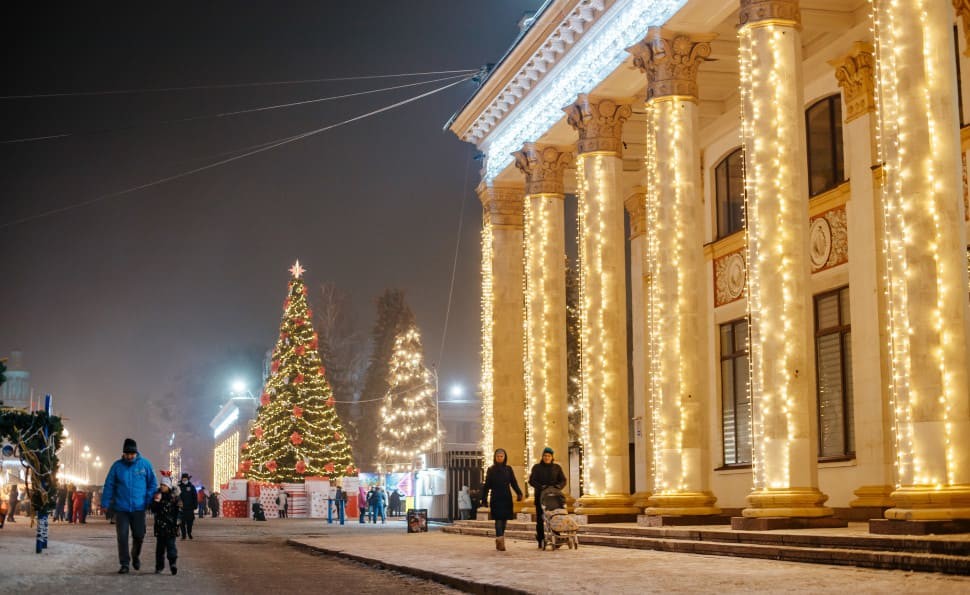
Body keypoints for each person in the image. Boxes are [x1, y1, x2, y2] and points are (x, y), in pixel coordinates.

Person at [101, 438, 158, 574]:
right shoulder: (117, 466)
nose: (130, 456)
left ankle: (135, 555)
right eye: (127, 454)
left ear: (136, 452)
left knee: (139, 535)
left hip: (139, 508)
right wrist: (105, 503)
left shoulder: (145, 465)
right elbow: (109, 485)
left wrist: (148, 499)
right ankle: (124, 563)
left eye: (132, 454)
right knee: (122, 536)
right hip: (122, 509)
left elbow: (152, 483)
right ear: (123, 453)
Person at [481, 448, 523, 551]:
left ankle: (500, 538)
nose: (500, 458)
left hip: (506, 497)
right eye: (498, 456)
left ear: (504, 457)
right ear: (495, 457)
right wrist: (484, 498)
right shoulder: (491, 469)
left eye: (501, 456)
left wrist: (519, 493)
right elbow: (487, 485)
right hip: (496, 497)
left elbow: (513, 482)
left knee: (504, 521)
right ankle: (500, 541)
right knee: (498, 520)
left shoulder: (508, 469)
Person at [528, 446, 567, 550]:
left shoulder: (557, 468)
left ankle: (556, 537)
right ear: (542, 456)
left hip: (554, 498)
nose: (546, 457)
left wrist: (558, 487)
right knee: (540, 520)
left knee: (555, 517)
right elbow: (531, 481)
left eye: (549, 456)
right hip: (540, 497)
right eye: (545, 455)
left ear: (552, 457)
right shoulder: (537, 467)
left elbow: (563, 480)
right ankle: (540, 538)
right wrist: (541, 487)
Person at [150, 471, 181, 575]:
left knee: (171, 547)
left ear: (169, 486)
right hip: (160, 526)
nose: (162, 487)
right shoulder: (157, 495)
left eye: (164, 485)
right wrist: (156, 502)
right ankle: (159, 566)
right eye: (161, 485)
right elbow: (153, 509)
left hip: (171, 527)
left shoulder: (174, 498)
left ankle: (173, 564)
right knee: (160, 549)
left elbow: (179, 511)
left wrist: (177, 524)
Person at [178, 473, 197, 539]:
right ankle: (183, 535)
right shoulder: (179, 487)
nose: (184, 480)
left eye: (185, 479)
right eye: (183, 479)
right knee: (181, 523)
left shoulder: (191, 487)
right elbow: (176, 496)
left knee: (190, 523)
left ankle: (189, 533)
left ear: (188, 479)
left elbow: (195, 496)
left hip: (189, 508)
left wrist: (195, 505)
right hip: (181, 508)